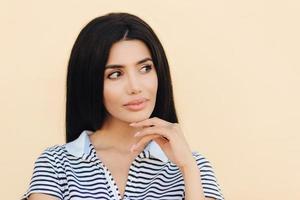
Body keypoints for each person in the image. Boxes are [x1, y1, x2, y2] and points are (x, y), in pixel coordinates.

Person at [21, 12, 225, 200]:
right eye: (115, 74)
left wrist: (188, 167)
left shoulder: (193, 167)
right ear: (90, 82)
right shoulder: (56, 164)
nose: (135, 87)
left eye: (145, 68)